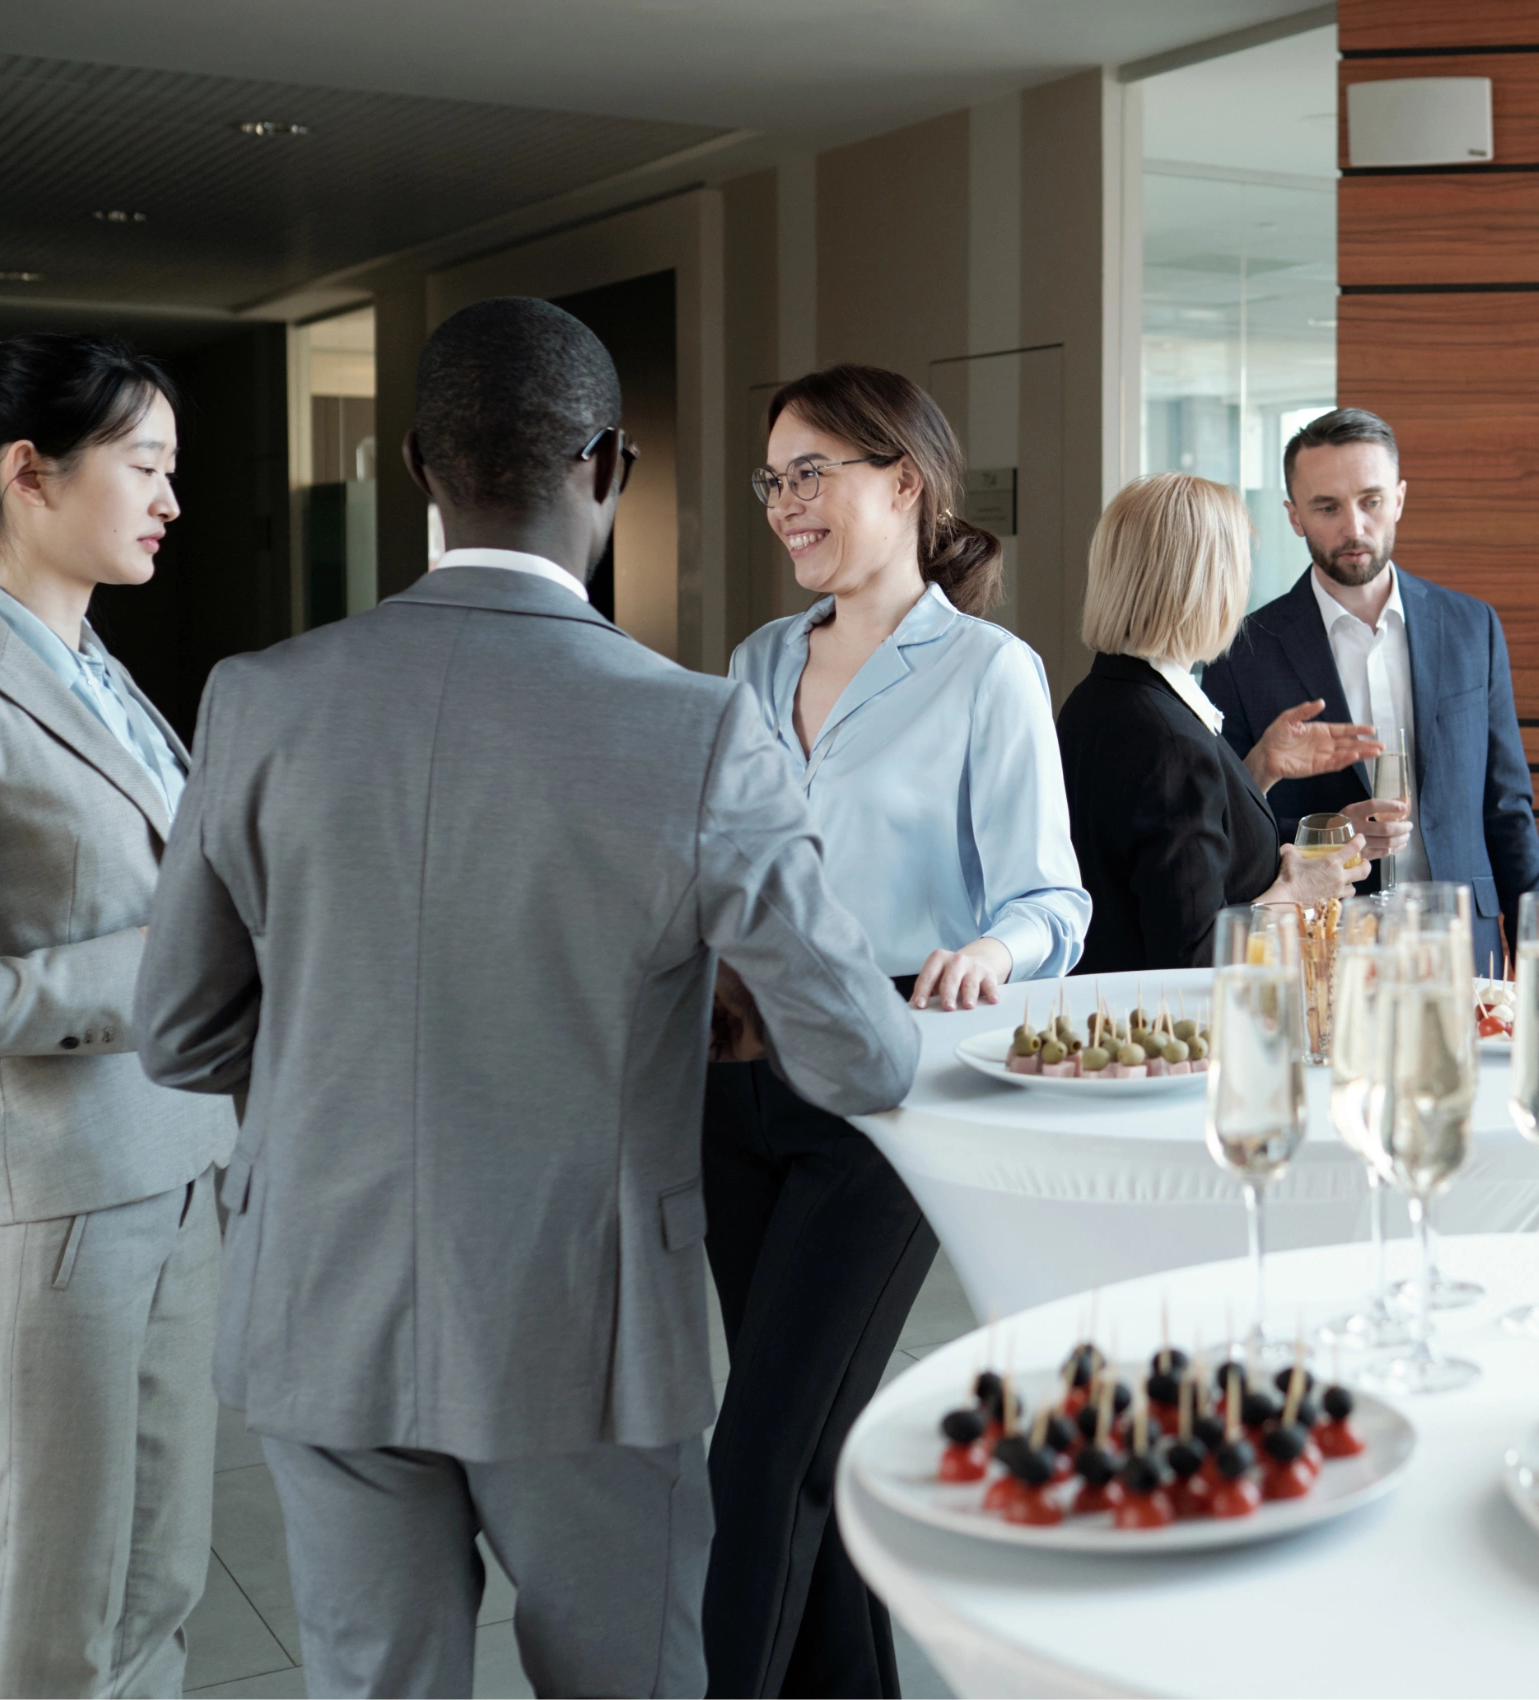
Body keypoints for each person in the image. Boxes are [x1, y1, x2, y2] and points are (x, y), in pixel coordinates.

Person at [133, 299, 918, 1699]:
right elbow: (860, 1055)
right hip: (587, 1330)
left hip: (324, 1297)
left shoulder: (258, 697)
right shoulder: (694, 726)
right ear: (611, 465)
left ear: (417, 467)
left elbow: (183, 1026)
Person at [708, 362, 1090, 1699]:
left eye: (812, 471)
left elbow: (1051, 900)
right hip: (734, 1086)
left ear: (904, 481)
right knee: (807, 1452)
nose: (785, 504)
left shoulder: (988, 672)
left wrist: (993, 948)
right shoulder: (759, 661)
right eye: (773, 478)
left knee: (753, 1459)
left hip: (878, 1099)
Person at [0, 333, 234, 1700]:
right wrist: (159, 965)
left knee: (162, 1584)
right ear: (30, 475)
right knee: (59, 1611)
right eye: (146, 465)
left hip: (178, 1178)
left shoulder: (104, 671)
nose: (172, 498)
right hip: (50, 1215)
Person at [1202, 406, 1539, 974]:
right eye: (1327, 507)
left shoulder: (1472, 627)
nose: (1354, 527)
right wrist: (1334, 833)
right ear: (1294, 516)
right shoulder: (1240, 651)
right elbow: (1226, 832)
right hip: (1322, 950)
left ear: (1400, 499)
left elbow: (1508, 809)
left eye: (1371, 501)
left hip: (1462, 947)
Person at [1059, 472, 1389, 972]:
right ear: (1206, 583)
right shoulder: (1168, 736)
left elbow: (1167, 851)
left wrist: (1255, 771)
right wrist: (1299, 890)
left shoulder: (1100, 698)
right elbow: (1195, 951)